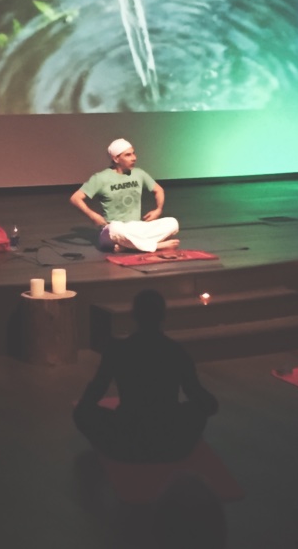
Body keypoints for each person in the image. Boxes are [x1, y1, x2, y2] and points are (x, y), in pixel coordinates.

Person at [73, 290, 218, 463]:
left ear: (133, 315)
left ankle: (123, 448)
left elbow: (94, 393)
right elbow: (199, 396)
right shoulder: (176, 351)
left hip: (127, 433)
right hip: (168, 435)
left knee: (82, 412)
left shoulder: (117, 351)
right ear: (163, 316)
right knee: (197, 411)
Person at [69, 138, 180, 253]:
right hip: (113, 229)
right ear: (116, 158)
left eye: (133, 153)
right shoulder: (101, 178)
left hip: (136, 226)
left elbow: (158, 190)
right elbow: (75, 198)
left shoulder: (139, 173)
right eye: (128, 155)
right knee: (115, 229)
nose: (134, 158)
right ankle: (156, 246)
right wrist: (93, 215)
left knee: (172, 223)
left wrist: (158, 209)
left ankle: (128, 246)